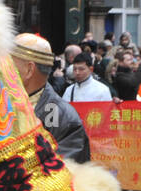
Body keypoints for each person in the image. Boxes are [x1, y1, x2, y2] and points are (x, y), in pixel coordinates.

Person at [10, 33, 90, 162]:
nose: (1, 71)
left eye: (9, 66)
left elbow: (62, 171)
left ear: (29, 70)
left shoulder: (65, 119)